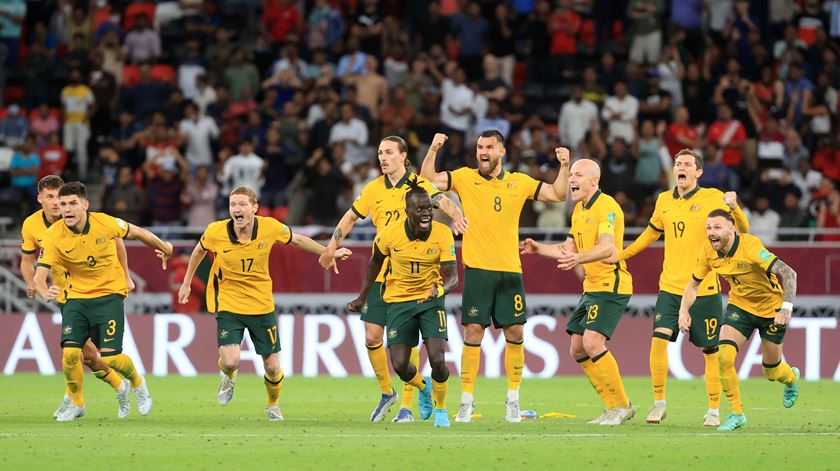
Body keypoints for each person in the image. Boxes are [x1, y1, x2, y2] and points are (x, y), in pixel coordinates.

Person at [420, 130, 569, 423]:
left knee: (516, 333)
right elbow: (427, 180)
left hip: (510, 270)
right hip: (478, 270)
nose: (482, 152)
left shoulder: (520, 182)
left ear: (501, 151)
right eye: (479, 147)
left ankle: (513, 400)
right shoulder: (464, 177)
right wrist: (434, 148)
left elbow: (559, 194)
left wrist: (564, 166)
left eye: (488, 147)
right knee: (473, 333)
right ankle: (466, 402)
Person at [319, 135, 466, 423]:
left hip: (414, 277)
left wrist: (459, 217)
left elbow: (444, 201)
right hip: (382, 272)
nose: (382, 158)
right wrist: (331, 246)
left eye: (388, 152)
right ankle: (390, 392)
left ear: (403, 156)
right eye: (379, 153)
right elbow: (350, 217)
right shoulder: (373, 189)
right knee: (372, 337)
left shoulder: (419, 185)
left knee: (407, 343)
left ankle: (407, 408)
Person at [177, 186, 351, 421]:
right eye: (232, 205)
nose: (236, 209)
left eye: (242, 204)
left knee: (272, 367)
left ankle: (273, 403)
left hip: (261, 305)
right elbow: (198, 251)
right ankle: (228, 377)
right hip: (229, 303)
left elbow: (297, 240)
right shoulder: (215, 231)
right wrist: (187, 282)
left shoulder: (269, 227)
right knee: (230, 361)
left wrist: (328, 252)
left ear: (254, 207)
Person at [616, 149, 749, 426]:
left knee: (711, 351)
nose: (682, 167)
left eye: (688, 164)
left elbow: (743, 230)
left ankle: (713, 410)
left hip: (705, 289)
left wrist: (735, 207)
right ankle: (659, 404)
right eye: (678, 163)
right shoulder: (664, 200)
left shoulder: (713, 197)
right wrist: (622, 255)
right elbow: (650, 233)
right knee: (658, 340)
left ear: (698, 172)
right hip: (670, 288)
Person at [33, 181, 173, 421]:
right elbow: (39, 273)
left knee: (110, 357)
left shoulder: (104, 222)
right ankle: (76, 402)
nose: (66, 209)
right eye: (63, 204)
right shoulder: (53, 235)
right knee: (70, 354)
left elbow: (138, 232)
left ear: (85, 205)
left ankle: (138, 383)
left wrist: (165, 247)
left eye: (72, 203)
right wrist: (43, 291)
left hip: (109, 295)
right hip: (76, 297)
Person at [520, 159, 634, 426]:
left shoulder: (606, 207)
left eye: (578, 175)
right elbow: (567, 249)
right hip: (592, 287)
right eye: (570, 174)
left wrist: (580, 258)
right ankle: (610, 406)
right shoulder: (579, 210)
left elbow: (607, 248)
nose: (571, 179)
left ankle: (622, 405)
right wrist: (539, 249)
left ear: (594, 180)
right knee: (577, 349)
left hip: (611, 284)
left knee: (593, 343)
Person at [21, 175, 139, 420]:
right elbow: (27, 260)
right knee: (81, 354)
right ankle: (103, 391)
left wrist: (126, 276)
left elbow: (117, 243)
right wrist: (32, 283)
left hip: (94, 291)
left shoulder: (85, 219)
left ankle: (80, 397)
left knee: (86, 354)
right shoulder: (32, 225)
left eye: (59, 197)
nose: (56, 203)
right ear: (40, 199)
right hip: (65, 294)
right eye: (50, 197)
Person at [347, 180, 459, 428]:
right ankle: (423, 386)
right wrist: (362, 297)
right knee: (399, 365)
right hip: (398, 301)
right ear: (407, 212)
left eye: (429, 208)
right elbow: (374, 263)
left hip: (431, 301)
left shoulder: (442, 233)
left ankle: (441, 410)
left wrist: (438, 290)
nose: (426, 214)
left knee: (438, 360)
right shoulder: (389, 233)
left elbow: (453, 277)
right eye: (419, 210)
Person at [679, 209, 800, 431]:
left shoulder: (751, 246)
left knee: (771, 372)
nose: (711, 233)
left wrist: (786, 308)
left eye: (717, 227)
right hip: (740, 307)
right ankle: (737, 414)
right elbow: (693, 285)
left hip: (771, 309)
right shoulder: (708, 251)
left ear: (731, 228)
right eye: (708, 228)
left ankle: (791, 379)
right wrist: (683, 311)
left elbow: (789, 273)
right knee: (723, 356)